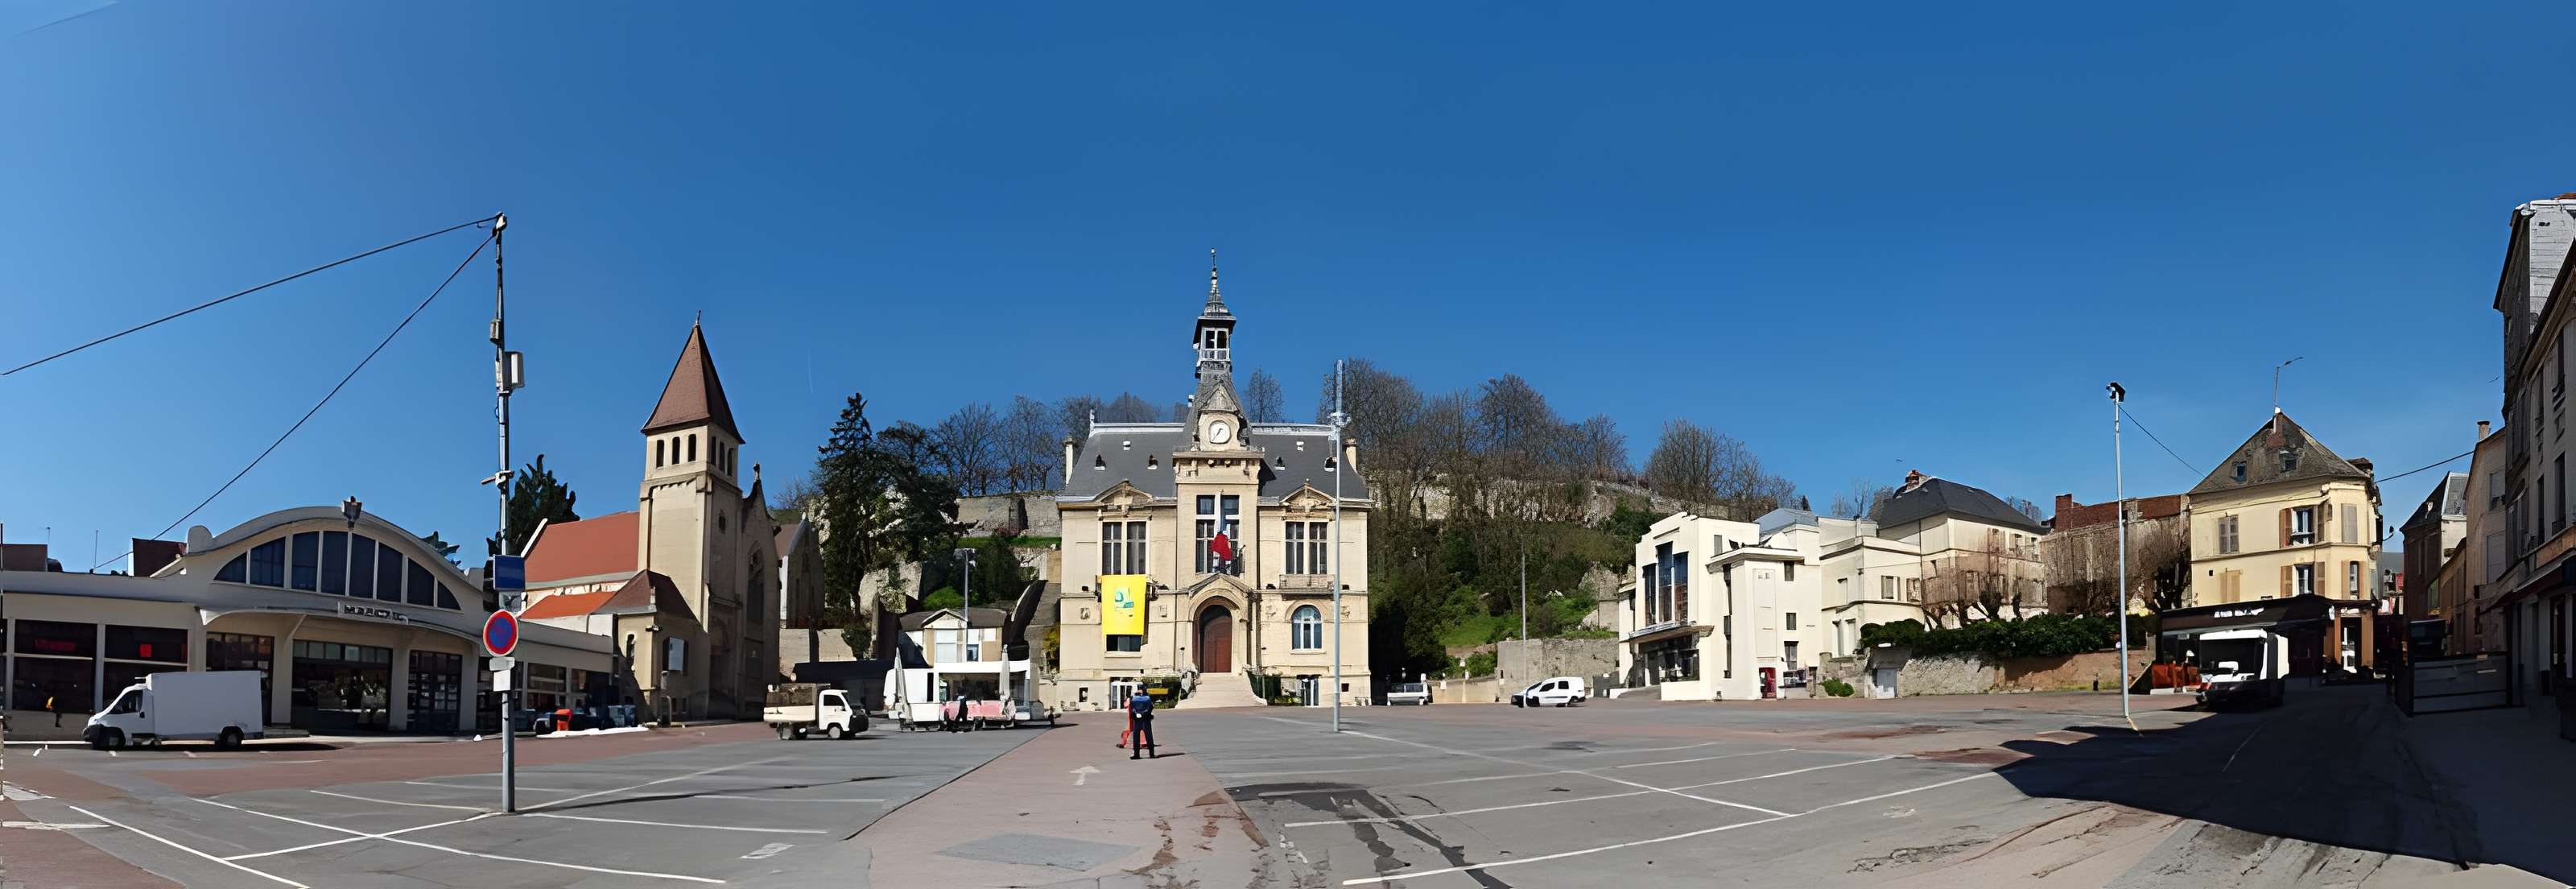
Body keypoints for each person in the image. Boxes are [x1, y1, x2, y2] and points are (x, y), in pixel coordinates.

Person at [1127, 688, 1156, 759]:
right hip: (1146, 719)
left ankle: (1136, 755)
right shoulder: (1148, 698)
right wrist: (1148, 714)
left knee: (1136, 737)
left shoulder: (1134, 699)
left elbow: (1131, 707)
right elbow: (1151, 707)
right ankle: (1151, 754)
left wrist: (1135, 714)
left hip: (1137, 720)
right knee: (1149, 737)